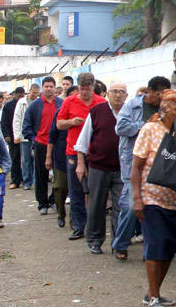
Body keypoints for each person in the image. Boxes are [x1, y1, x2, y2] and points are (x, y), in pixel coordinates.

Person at [131, 89, 176, 307]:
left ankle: (152, 292)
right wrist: (137, 199)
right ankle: (154, 297)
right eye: (174, 107)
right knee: (156, 245)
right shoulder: (150, 130)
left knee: (169, 248)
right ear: (164, 109)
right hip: (151, 198)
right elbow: (136, 168)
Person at [113, 76, 171, 261]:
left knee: (155, 208)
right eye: (158, 94)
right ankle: (120, 244)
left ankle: (152, 248)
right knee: (131, 206)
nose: (160, 98)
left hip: (158, 163)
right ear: (149, 91)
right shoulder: (133, 105)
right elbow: (120, 127)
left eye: (164, 95)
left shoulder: (166, 108)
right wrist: (146, 125)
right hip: (134, 162)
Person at [74, 81, 126, 254]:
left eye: (121, 92)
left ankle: (118, 243)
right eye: (114, 91)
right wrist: (81, 164)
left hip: (122, 168)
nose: (117, 95)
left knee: (121, 205)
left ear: (126, 95)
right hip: (98, 166)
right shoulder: (97, 112)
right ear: (107, 94)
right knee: (96, 204)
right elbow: (83, 141)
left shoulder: (130, 113)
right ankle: (95, 240)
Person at [57, 73, 107, 240]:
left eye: (88, 89)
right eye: (82, 89)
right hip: (73, 150)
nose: (84, 92)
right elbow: (59, 124)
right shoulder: (69, 102)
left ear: (94, 87)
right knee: (76, 189)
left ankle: (95, 226)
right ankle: (79, 226)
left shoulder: (101, 102)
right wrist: (72, 122)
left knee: (96, 190)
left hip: (96, 151)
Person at [22, 77, 63, 215]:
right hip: (41, 144)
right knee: (41, 175)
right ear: (42, 88)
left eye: (51, 86)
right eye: (46, 86)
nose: (49, 89)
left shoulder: (61, 104)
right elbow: (26, 127)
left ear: (55, 87)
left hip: (58, 144)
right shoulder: (35, 106)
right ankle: (42, 203)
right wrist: (34, 140)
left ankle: (54, 201)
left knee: (58, 175)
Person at [47, 85, 77, 228]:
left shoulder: (86, 113)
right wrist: (48, 157)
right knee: (60, 187)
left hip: (79, 155)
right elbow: (52, 135)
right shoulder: (60, 113)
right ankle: (61, 214)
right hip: (60, 155)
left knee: (77, 190)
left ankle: (75, 220)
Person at [13, 83, 40, 190]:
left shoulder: (38, 102)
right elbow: (17, 119)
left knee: (37, 159)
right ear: (29, 91)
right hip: (24, 135)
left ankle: (35, 180)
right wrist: (17, 135)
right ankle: (26, 181)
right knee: (25, 159)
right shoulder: (22, 102)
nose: (35, 95)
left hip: (36, 135)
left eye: (37, 93)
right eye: (33, 93)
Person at [2, 87, 25, 189]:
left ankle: (26, 178)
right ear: (14, 95)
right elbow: (4, 122)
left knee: (26, 159)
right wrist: (6, 135)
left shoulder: (27, 104)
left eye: (22, 96)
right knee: (15, 159)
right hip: (12, 137)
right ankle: (15, 180)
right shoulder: (8, 106)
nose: (20, 98)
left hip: (25, 136)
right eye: (18, 96)